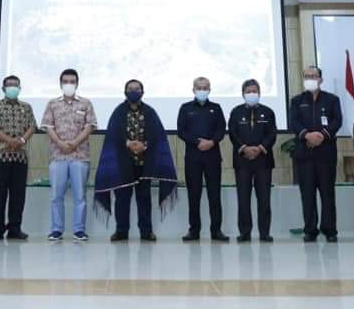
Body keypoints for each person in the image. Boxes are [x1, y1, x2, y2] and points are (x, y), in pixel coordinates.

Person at [94, 79, 177, 242]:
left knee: (144, 198)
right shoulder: (118, 112)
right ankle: (121, 231)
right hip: (123, 164)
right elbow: (113, 134)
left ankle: (146, 231)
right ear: (125, 92)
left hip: (144, 164)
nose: (133, 91)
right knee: (122, 199)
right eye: (130, 89)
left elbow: (157, 134)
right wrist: (128, 143)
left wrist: (144, 145)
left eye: (137, 89)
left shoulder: (150, 112)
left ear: (142, 92)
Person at [41, 69, 97, 242]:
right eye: (65, 81)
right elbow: (48, 126)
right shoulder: (52, 104)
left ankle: (79, 230)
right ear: (60, 84)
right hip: (58, 156)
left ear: (77, 84)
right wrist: (60, 143)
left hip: (80, 155)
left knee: (80, 195)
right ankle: (56, 230)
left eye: (72, 81)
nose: (69, 84)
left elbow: (90, 126)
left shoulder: (86, 103)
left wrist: (74, 143)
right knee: (56, 196)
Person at [288, 65, 342, 243]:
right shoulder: (297, 101)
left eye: (314, 76)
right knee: (307, 194)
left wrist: (322, 136)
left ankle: (329, 229)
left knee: (327, 194)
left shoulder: (332, 100)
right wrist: (307, 135)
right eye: (307, 76)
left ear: (321, 79)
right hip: (304, 155)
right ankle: (310, 229)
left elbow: (337, 121)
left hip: (326, 154)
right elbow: (293, 122)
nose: (310, 79)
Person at [178, 77, 229, 242]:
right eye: (199, 87)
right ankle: (194, 230)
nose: (202, 90)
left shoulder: (216, 108)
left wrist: (211, 142)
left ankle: (216, 230)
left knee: (214, 194)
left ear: (209, 89)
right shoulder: (185, 108)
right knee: (194, 195)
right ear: (193, 90)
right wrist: (197, 142)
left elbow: (221, 129)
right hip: (193, 157)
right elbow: (181, 131)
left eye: (205, 87)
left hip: (212, 156)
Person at [0, 75, 37, 240]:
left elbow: (32, 126)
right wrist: (9, 140)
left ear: (20, 88)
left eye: (16, 85)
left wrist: (21, 140)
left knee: (18, 195)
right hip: (0, 157)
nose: (13, 88)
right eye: (10, 85)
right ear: (3, 89)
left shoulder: (26, 107)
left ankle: (15, 228)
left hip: (20, 157)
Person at [228, 79, 277, 242]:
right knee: (243, 199)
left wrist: (260, 148)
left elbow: (272, 133)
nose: (251, 94)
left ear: (259, 93)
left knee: (264, 199)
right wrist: (244, 148)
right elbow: (233, 133)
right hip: (242, 161)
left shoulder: (268, 112)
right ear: (243, 94)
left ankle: (264, 232)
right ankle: (244, 232)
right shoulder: (236, 112)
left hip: (263, 161)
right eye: (248, 91)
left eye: (254, 91)